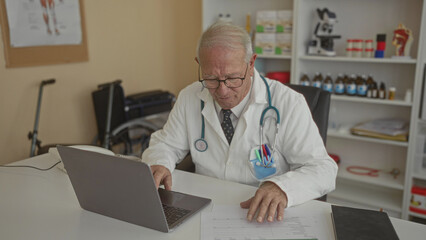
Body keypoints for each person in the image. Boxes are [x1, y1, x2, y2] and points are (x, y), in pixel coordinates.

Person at [142, 22, 337, 223]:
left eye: (233, 78)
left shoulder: (287, 103)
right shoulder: (190, 96)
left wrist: (282, 187)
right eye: (210, 78)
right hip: (206, 209)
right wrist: (159, 162)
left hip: (263, 214)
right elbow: (166, 144)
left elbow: (322, 169)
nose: (222, 91)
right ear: (199, 64)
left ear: (251, 64)